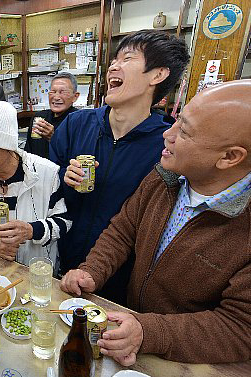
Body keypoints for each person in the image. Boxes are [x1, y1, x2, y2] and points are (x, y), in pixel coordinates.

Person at [60, 80, 251, 365]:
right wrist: (92, 270)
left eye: (184, 131)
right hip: (132, 336)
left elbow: (240, 328)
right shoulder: (165, 177)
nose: (167, 134)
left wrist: (149, 331)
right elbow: (124, 229)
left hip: (194, 362)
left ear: (229, 157)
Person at [49, 30, 189, 301]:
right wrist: (63, 174)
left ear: (158, 75)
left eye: (127, 58)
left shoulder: (168, 144)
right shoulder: (76, 124)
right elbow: (44, 182)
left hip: (121, 278)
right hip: (59, 258)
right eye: (114, 59)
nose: (114, 65)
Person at [0, 101, 71, 266]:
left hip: (36, 271)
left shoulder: (46, 172)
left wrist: (31, 230)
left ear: (5, 145)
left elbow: (63, 221)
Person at [24, 72, 79, 159]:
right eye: (53, 92)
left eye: (63, 92)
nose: (56, 97)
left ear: (75, 97)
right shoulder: (39, 117)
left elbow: (78, 157)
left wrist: (54, 138)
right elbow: (28, 152)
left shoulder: (80, 121)